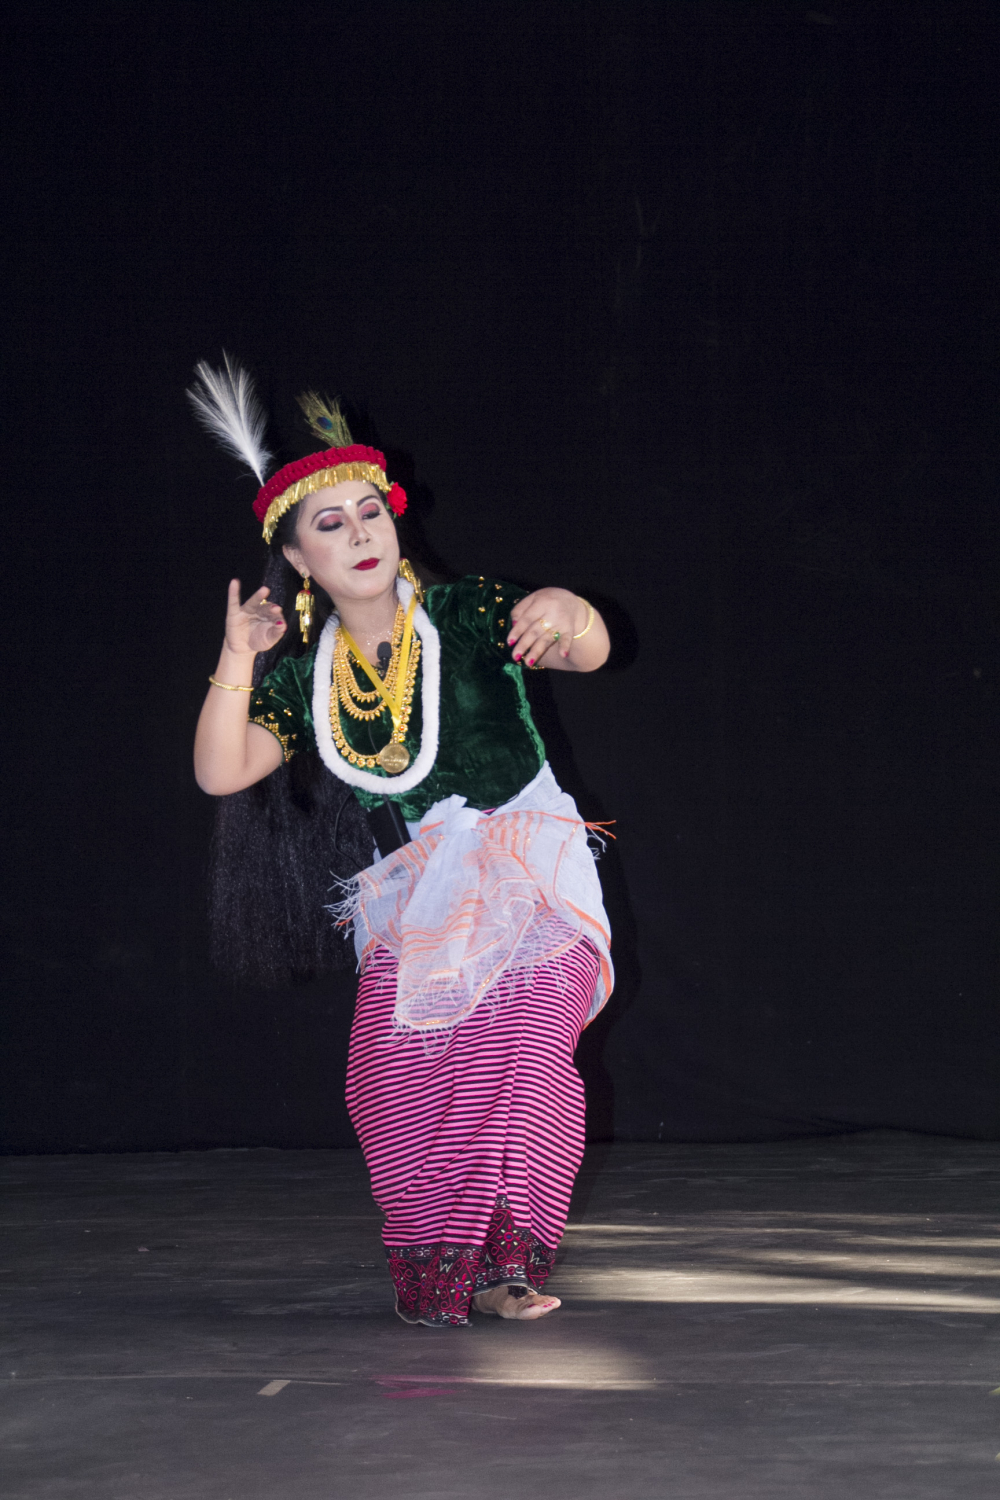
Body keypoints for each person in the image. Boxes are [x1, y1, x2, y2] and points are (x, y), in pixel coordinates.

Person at [190, 358, 614, 1326]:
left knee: (522, 1048)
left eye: (368, 512)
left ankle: (511, 1265)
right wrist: (236, 655)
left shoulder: (464, 619)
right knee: (384, 1082)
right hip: (427, 888)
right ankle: (439, 1268)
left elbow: (587, 647)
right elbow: (220, 769)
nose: (359, 533)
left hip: (530, 870)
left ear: (393, 518)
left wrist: (566, 611)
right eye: (328, 525)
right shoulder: (307, 680)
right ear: (298, 561)